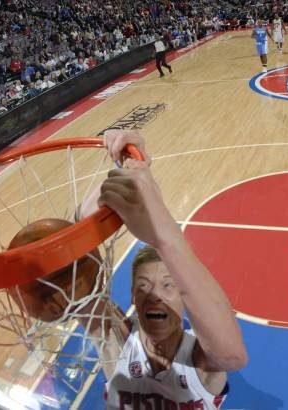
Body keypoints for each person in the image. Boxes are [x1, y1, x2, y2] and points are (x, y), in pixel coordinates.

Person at [95, 130, 248, 409]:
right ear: (131, 296)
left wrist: (163, 231)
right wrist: (124, 170)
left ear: (184, 297)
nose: (155, 296)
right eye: (143, 286)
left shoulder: (201, 360)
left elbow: (232, 355)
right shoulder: (114, 341)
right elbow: (73, 268)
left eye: (168, 285)